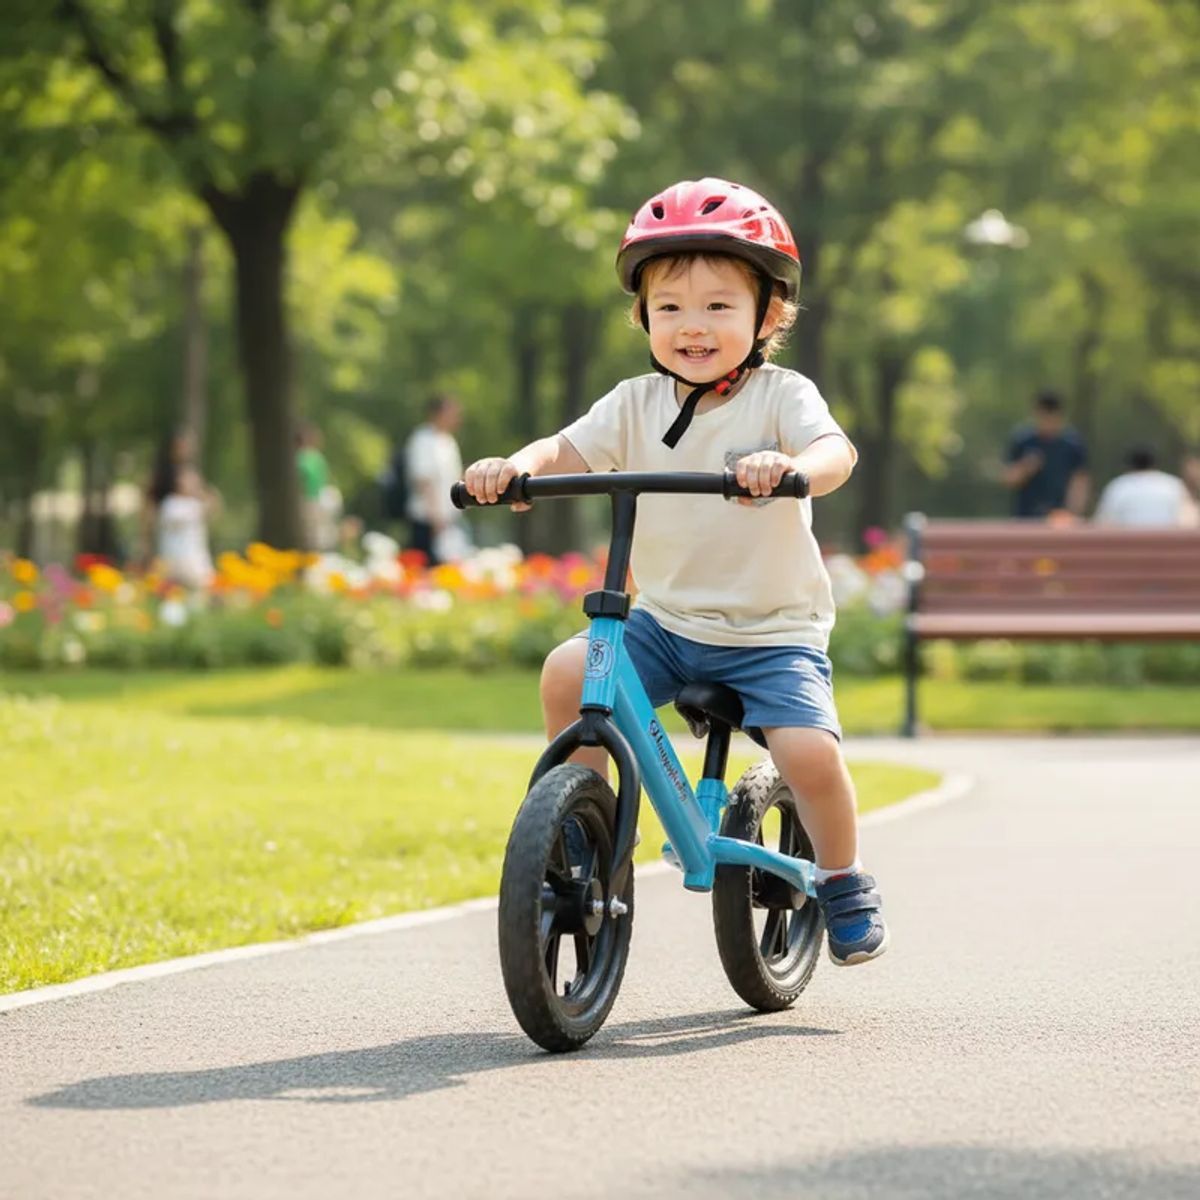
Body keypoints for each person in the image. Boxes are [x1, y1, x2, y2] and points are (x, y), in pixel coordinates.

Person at [463, 177, 885, 966]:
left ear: (768, 316)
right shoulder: (633, 402)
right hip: (665, 623)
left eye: (719, 306)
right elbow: (567, 450)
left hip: (771, 631)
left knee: (808, 754)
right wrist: (513, 466)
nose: (693, 326)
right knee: (566, 675)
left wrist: (790, 466)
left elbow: (836, 453)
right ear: (644, 319)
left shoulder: (780, 396)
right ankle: (583, 829)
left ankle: (841, 875)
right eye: (670, 308)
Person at [143, 429, 220, 588]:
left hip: (187, 544)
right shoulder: (163, 478)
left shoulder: (189, 473)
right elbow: (150, 506)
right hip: (175, 544)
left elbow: (210, 504)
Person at [1002, 391, 1090, 519]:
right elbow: (1008, 479)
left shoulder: (1072, 444)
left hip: (1059, 518)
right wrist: (1025, 467)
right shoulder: (1023, 440)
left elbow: (1080, 481)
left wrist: (1073, 513)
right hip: (1026, 516)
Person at [405, 393, 470, 566]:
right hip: (427, 518)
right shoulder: (423, 439)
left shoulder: (448, 441)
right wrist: (436, 517)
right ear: (438, 413)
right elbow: (424, 480)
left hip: (448, 518)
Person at [1094, 446, 1200, 528]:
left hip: (1128, 550)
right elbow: (1190, 521)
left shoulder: (1118, 486)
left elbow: (1103, 523)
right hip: (1168, 549)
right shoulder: (1173, 485)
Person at [296, 423, 341, 552]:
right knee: (317, 538)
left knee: (307, 536)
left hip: (305, 501)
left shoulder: (300, 458)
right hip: (319, 500)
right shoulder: (318, 458)